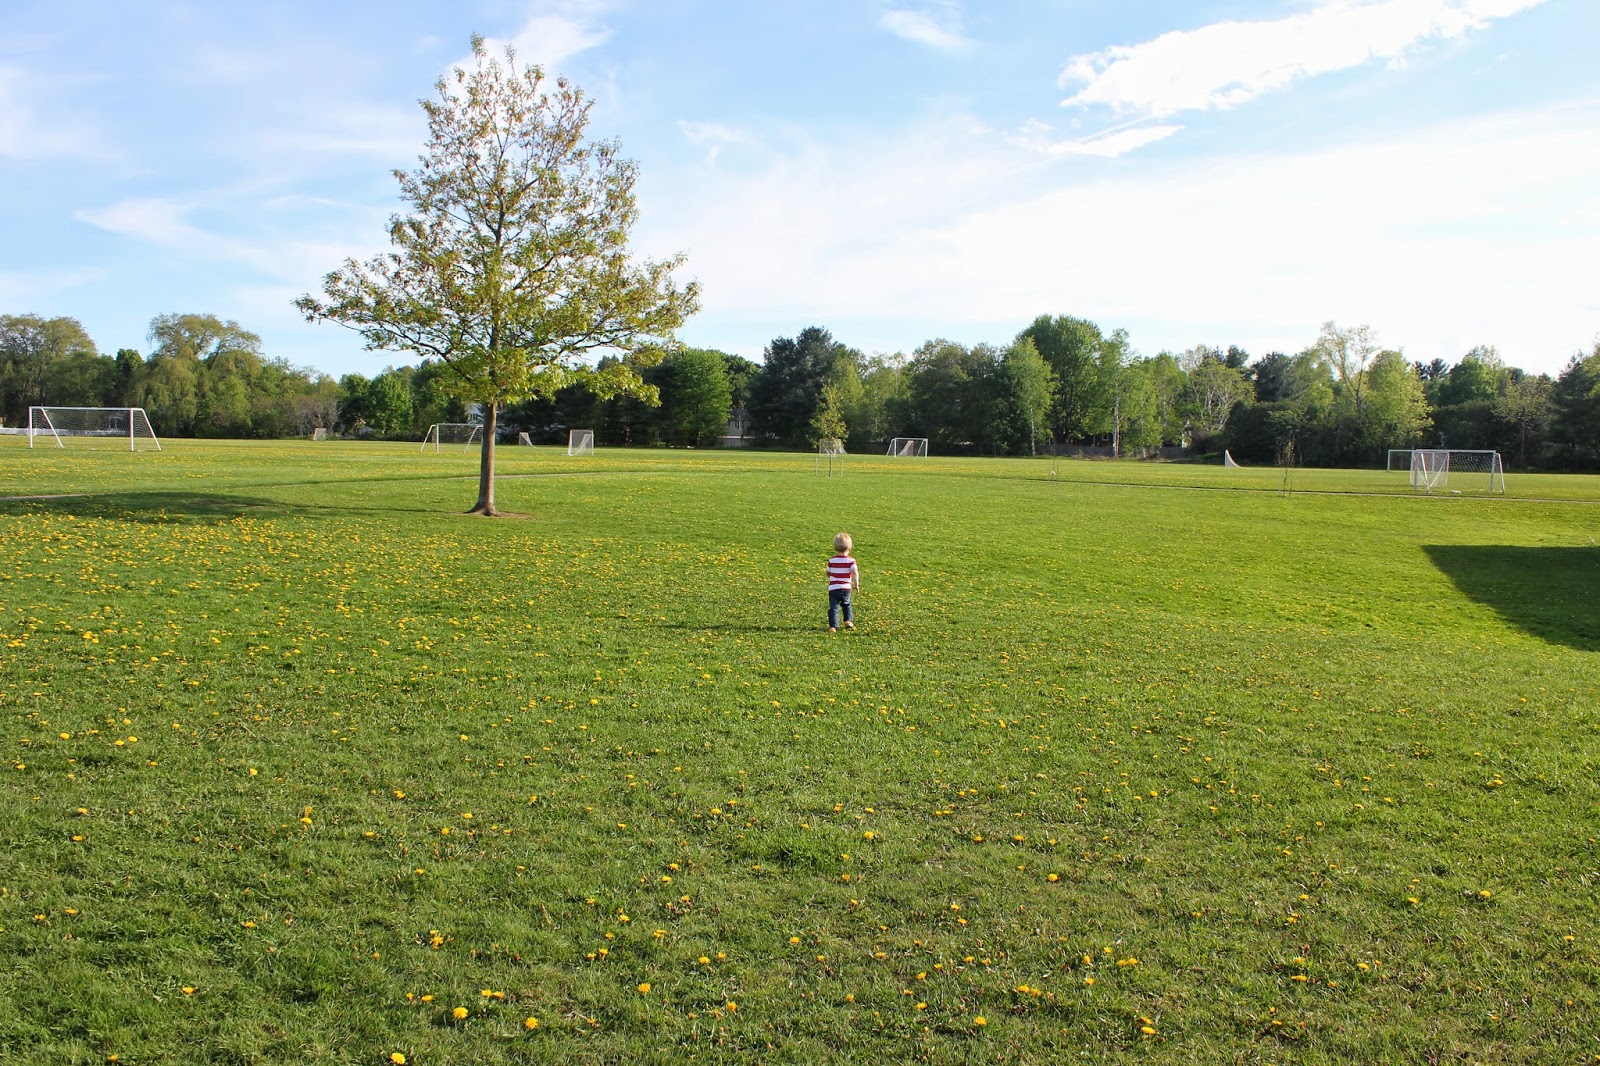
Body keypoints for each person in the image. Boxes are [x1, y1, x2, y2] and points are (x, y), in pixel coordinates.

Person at [826, 532, 860, 633]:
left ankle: (833, 626)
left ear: (835, 548)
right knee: (846, 604)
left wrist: (831, 576)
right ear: (849, 548)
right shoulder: (851, 561)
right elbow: (854, 572)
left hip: (833, 588)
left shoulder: (832, 560)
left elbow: (828, 572)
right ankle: (848, 621)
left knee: (834, 607)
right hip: (846, 588)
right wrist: (856, 584)